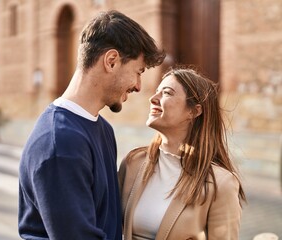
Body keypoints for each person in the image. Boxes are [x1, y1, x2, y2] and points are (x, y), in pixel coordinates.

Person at [18, 10, 165, 240]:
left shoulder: (103, 129)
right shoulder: (60, 143)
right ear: (111, 61)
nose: (138, 86)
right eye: (138, 72)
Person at [118, 67, 246, 240]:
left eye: (167, 93)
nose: (153, 99)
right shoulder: (133, 162)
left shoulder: (221, 183)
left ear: (194, 111)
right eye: (156, 92)